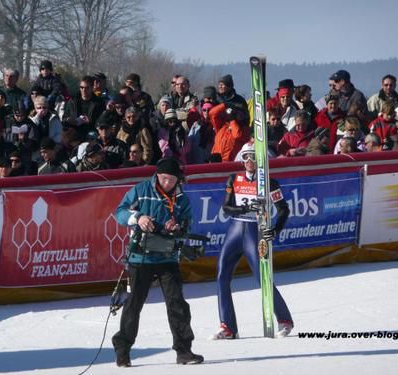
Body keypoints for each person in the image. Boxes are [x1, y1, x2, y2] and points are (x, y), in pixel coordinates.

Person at [112, 157, 203, 367]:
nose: (168, 183)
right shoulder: (141, 190)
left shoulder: (182, 198)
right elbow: (120, 212)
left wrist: (177, 227)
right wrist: (138, 218)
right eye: (164, 178)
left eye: (172, 180)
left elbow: (187, 225)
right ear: (157, 176)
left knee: (177, 303)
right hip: (140, 257)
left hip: (168, 257)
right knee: (134, 304)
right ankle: (122, 350)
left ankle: (184, 351)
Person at [213, 142, 293, 340]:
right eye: (246, 157)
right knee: (222, 274)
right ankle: (228, 326)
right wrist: (246, 209)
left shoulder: (269, 183)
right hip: (234, 230)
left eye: (253, 157)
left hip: (254, 232)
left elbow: (283, 209)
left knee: (262, 277)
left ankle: (284, 320)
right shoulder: (234, 179)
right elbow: (226, 208)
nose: (249, 161)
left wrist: (275, 230)